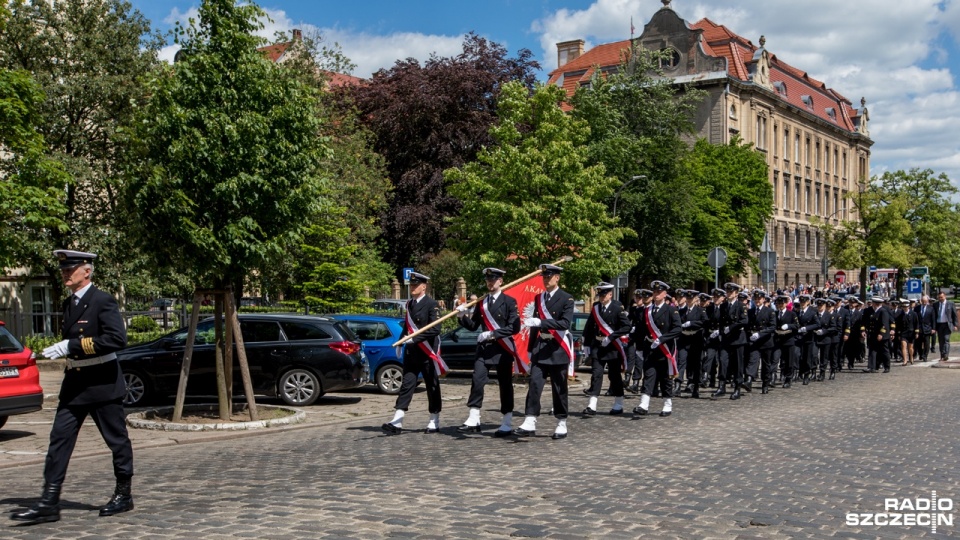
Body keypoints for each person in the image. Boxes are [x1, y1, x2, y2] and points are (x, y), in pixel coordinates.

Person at [12, 250, 133, 525]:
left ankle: (124, 494)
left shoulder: (102, 300)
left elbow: (117, 340)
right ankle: (49, 502)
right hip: (75, 385)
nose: (66, 273)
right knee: (59, 440)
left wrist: (72, 345)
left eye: (71, 268)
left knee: (117, 441)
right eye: (64, 269)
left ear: (87, 271)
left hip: (103, 383)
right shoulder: (70, 304)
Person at [455, 268, 521, 436]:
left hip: (502, 348)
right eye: (488, 280)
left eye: (493, 279)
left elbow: (515, 327)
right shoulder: (482, 302)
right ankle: (474, 418)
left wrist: (493, 333)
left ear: (501, 281)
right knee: (477, 380)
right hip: (484, 349)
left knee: (505, 385)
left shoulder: (509, 301)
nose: (490, 283)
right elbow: (473, 326)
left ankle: (506, 421)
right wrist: (462, 316)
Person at [514, 264, 575, 440]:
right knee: (534, 384)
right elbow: (534, 326)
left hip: (557, 348)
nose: (546, 279)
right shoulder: (538, 298)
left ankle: (561, 421)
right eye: (544, 277)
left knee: (559, 388)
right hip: (541, 348)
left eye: (549, 276)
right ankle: (530, 419)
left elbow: (565, 323)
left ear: (557, 278)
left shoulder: (567, 299)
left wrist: (542, 323)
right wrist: (530, 349)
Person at [382, 272, 445, 434]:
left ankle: (434, 419)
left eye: (416, 285)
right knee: (407, 384)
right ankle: (397, 420)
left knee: (432, 385)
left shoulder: (432, 304)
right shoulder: (410, 304)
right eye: (411, 285)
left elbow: (435, 329)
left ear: (424, 286)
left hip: (427, 350)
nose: (413, 288)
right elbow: (407, 327)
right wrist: (401, 340)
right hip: (412, 352)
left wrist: (415, 339)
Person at [581, 282, 631, 416]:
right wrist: (586, 342)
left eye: (604, 295)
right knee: (596, 374)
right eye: (600, 295)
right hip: (598, 346)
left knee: (614, 376)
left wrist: (612, 336)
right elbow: (590, 325)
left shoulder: (617, 308)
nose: (602, 298)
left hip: (612, 347)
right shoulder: (596, 307)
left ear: (610, 294)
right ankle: (592, 405)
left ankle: (618, 403)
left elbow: (627, 326)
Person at [634, 280, 682, 416]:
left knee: (665, 378)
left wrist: (661, 339)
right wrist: (639, 347)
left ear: (665, 294)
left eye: (659, 292)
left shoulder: (671, 310)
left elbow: (677, 329)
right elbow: (641, 330)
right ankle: (643, 404)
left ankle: (667, 404)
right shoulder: (647, 311)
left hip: (665, 349)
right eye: (654, 292)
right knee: (648, 375)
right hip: (650, 348)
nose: (656, 294)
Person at [713, 282, 748, 400]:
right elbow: (721, 322)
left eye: (731, 292)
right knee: (723, 361)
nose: (728, 294)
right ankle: (721, 386)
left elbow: (744, 321)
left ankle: (737, 388)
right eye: (727, 292)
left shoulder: (740, 306)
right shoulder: (723, 306)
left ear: (736, 293)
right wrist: (722, 331)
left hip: (738, 339)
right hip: (726, 339)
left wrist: (731, 328)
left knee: (738, 364)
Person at [678, 291, 707, 398]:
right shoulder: (681, 311)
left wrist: (692, 323)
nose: (689, 300)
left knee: (695, 364)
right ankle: (677, 384)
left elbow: (705, 322)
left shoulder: (700, 311)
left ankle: (695, 387)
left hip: (695, 339)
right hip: (683, 338)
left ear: (695, 299)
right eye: (688, 298)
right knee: (681, 361)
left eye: (691, 298)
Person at [747, 291, 776, 393]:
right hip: (754, 341)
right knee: (753, 360)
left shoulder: (770, 311)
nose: (757, 301)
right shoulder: (751, 311)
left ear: (764, 299)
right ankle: (749, 380)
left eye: (759, 299)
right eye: (755, 299)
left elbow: (772, 327)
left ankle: (765, 383)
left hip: (766, 341)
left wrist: (760, 334)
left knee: (766, 364)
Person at [626, 289, 652, 393]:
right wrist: (630, 328)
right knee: (633, 358)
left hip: (645, 339)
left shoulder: (648, 310)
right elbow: (629, 321)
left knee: (641, 361)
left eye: (640, 298)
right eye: (636, 298)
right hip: (634, 338)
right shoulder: (634, 309)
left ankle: (640, 383)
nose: (638, 300)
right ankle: (631, 380)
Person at [773, 295, 799, 389]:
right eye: (778, 303)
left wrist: (788, 326)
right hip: (778, 340)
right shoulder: (775, 313)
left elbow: (796, 326)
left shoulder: (791, 314)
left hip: (788, 340)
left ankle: (788, 378)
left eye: (782, 303)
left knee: (789, 361)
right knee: (775, 358)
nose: (780, 305)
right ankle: (773, 377)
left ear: (786, 303)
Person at [795, 294, 820, 385]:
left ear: (808, 302)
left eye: (804, 302)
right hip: (798, 338)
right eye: (801, 302)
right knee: (797, 355)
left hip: (808, 337)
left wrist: (807, 328)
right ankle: (798, 372)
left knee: (807, 357)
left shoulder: (812, 312)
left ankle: (806, 375)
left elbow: (817, 324)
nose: (802, 304)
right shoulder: (797, 311)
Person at [866, 297, 892, 373]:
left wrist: (881, 334)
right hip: (873, 334)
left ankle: (887, 367)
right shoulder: (874, 311)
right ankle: (871, 367)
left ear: (875, 304)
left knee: (884, 351)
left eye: (873, 303)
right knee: (872, 351)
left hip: (882, 335)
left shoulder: (883, 311)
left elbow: (885, 324)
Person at [932, 291, 958, 361]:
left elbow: (954, 315)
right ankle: (942, 355)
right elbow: (934, 317)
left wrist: (955, 325)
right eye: (939, 297)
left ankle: (946, 354)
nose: (940, 299)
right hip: (939, 324)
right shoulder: (936, 304)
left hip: (947, 324)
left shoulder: (950, 304)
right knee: (941, 341)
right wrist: (933, 327)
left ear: (945, 296)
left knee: (946, 339)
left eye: (941, 297)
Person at [915, 295, 935, 362]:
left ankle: (925, 355)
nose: (924, 302)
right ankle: (920, 354)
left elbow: (933, 319)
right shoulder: (917, 308)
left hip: (927, 328)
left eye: (925, 301)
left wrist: (933, 328)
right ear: (921, 301)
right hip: (919, 329)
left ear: (927, 301)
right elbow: (915, 319)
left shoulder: (931, 308)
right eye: (923, 301)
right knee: (918, 343)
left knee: (927, 343)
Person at [900, 299, 919, 366]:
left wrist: (916, 332)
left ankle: (911, 357)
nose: (905, 308)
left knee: (910, 347)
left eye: (906, 307)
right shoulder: (901, 314)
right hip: (903, 333)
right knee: (903, 346)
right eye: (904, 307)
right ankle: (905, 360)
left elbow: (916, 324)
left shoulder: (914, 314)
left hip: (911, 332)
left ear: (909, 307)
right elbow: (898, 324)